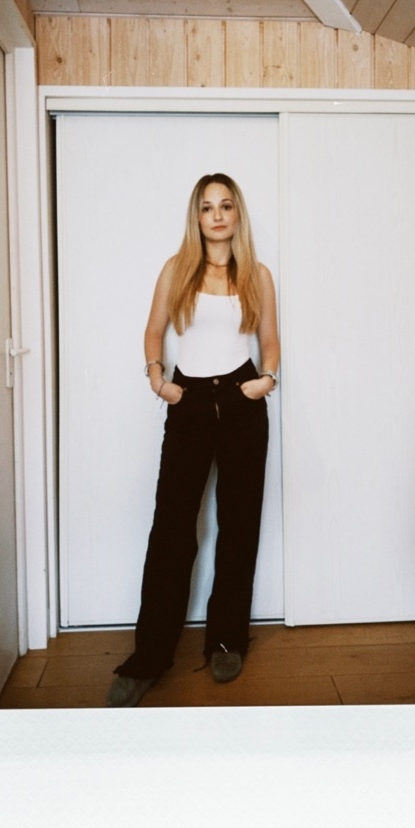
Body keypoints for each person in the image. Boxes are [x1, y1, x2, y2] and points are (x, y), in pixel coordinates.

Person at [106, 173, 280, 707]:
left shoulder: (257, 275)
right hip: (190, 401)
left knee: (239, 524)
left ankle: (226, 641)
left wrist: (267, 379)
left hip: (243, 400)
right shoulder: (177, 269)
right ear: (197, 217)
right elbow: (153, 330)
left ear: (237, 214)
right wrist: (158, 379)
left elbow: (270, 340)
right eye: (207, 207)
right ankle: (149, 657)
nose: (217, 216)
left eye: (226, 206)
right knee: (172, 528)